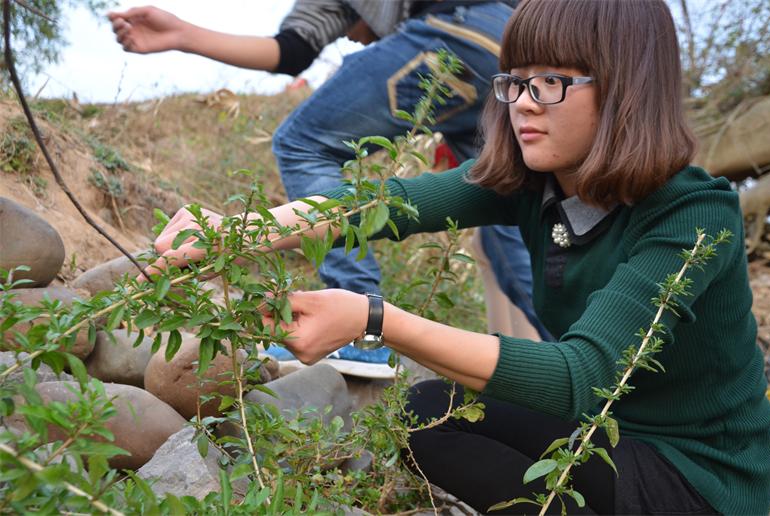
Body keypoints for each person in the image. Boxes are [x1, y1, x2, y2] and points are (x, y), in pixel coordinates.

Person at [144, 0, 770, 513]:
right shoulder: (535, 182)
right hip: (602, 432)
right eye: (518, 81)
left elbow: (579, 376)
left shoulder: (692, 213)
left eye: (554, 81)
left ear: (626, 89)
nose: (525, 101)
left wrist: (374, 318)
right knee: (430, 412)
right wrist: (229, 233)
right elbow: (378, 205)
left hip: (695, 478)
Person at [109, 1, 549, 368]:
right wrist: (181, 35)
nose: (354, 38)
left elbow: (294, 51)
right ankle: (594, 376)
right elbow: (294, 49)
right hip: (516, 44)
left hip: (456, 30)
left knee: (303, 142)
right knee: (509, 210)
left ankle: (357, 326)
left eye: (350, 30)